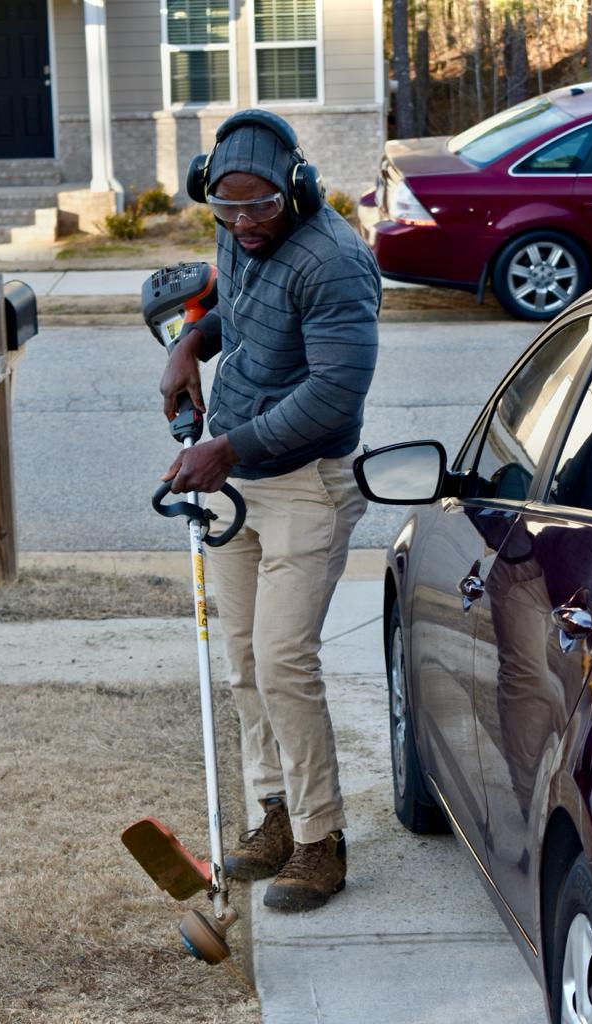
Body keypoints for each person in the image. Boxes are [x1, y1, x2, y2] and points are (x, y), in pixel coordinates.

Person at [159, 110, 381, 913]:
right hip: (237, 477)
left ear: (297, 189)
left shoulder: (335, 262)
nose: (245, 224)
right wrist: (190, 345)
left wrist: (227, 448)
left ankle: (321, 842)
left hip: (306, 483)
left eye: (260, 207)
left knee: (284, 661)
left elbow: (334, 393)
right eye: (227, 209)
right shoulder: (237, 235)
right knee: (244, 661)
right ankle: (276, 815)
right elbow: (244, 311)